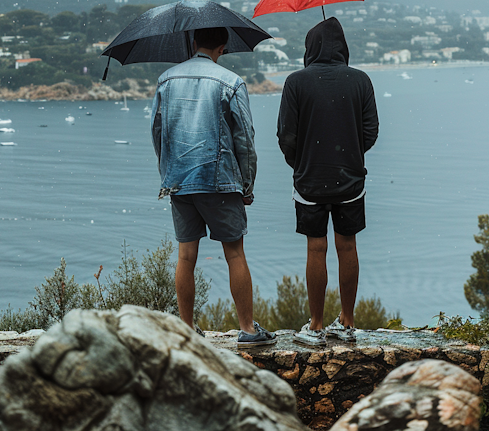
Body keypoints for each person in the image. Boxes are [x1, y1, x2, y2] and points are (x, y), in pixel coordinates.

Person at [151, 26, 276, 346]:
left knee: (186, 256)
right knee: (234, 254)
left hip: (179, 181)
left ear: (193, 42)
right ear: (223, 46)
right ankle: (247, 329)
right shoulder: (231, 82)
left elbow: (157, 132)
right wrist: (246, 185)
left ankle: (187, 328)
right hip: (219, 180)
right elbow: (244, 137)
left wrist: (169, 171)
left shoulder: (166, 80)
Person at [277, 17, 378, 346]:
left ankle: (317, 326)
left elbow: (286, 135)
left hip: (310, 179)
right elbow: (370, 132)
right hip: (350, 178)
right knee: (347, 245)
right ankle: (347, 323)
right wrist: (349, 154)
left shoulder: (295, 82)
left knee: (315, 247)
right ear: (343, 48)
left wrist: (301, 162)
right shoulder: (361, 81)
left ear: (310, 48)